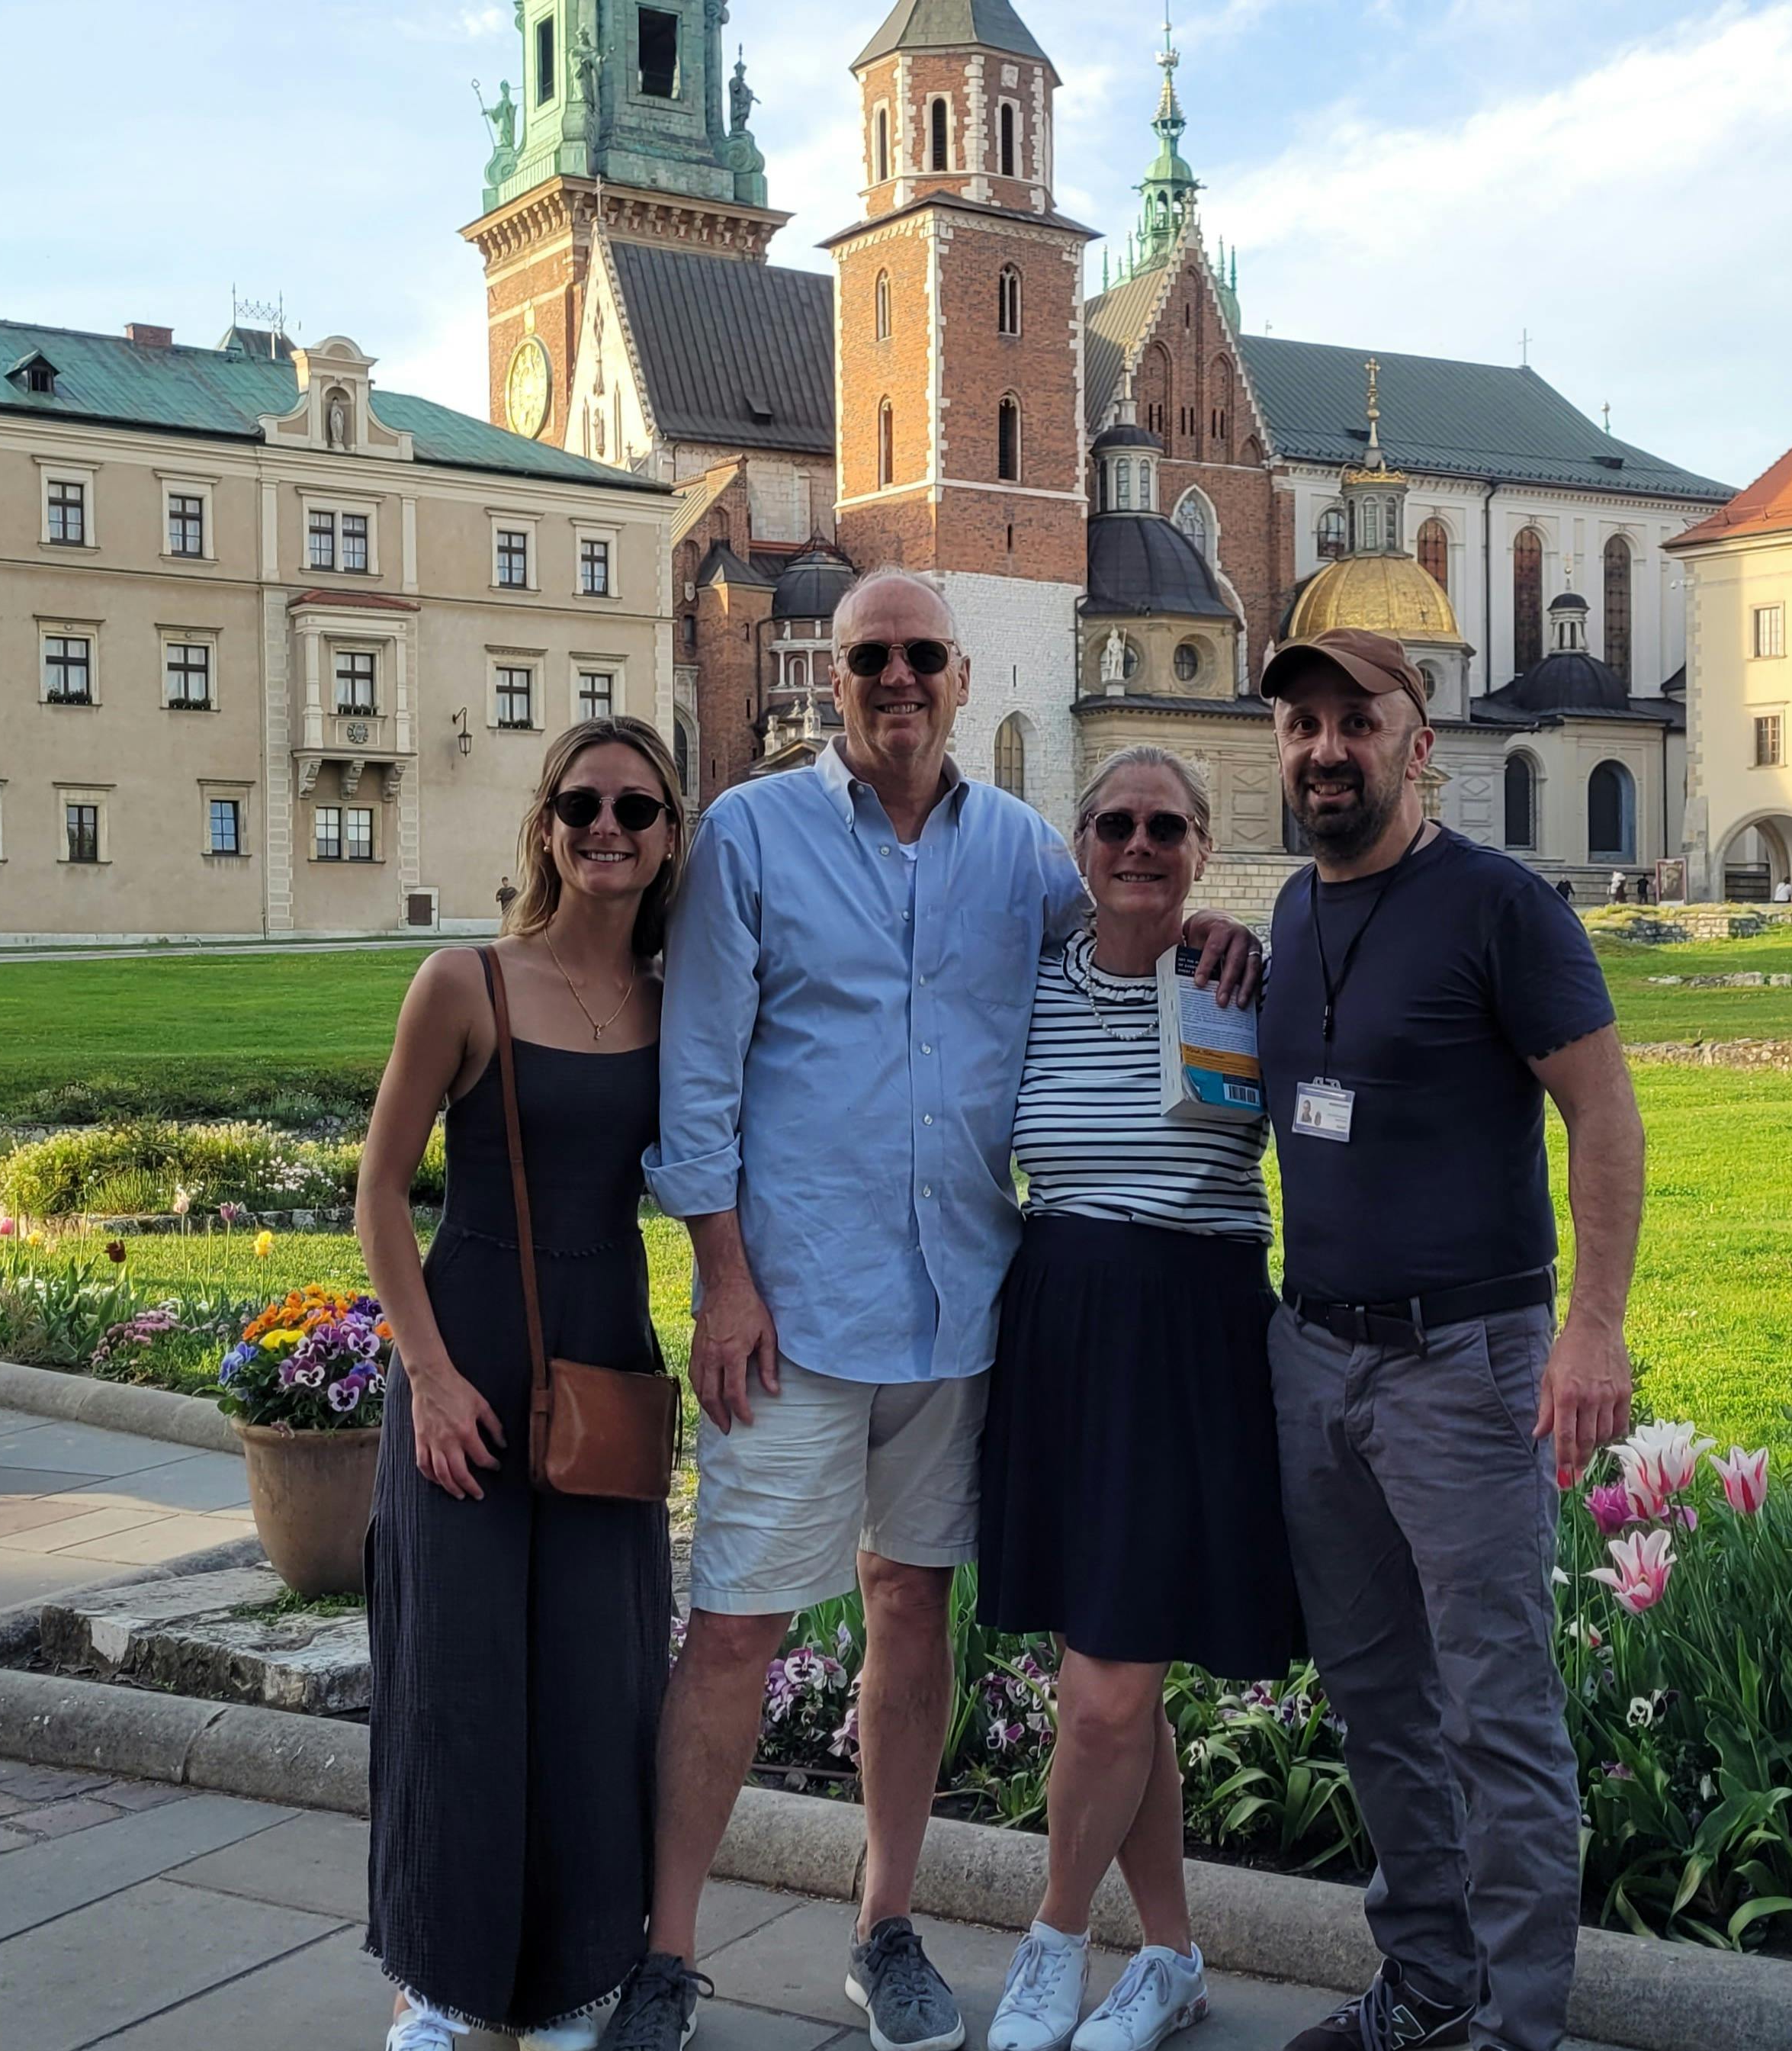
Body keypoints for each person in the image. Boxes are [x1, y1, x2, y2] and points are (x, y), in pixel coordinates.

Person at [614, 570, 1259, 2051]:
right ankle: (667, 1951)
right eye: (871, 658)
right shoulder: (750, 836)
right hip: (792, 1307)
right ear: (830, 678)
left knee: (912, 1607)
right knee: (735, 1629)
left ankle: (884, 1923)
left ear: (962, 677)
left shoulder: (1025, 851)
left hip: (966, 1307)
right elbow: (697, 1075)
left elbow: (1127, 926)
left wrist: (1224, 934)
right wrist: (721, 1276)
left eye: (923, 656)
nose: (897, 679)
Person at [1254, 628, 1648, 2051]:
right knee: (1376, 1699)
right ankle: (1427, 1982)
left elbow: (1604, 1113)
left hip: (1464, 1361)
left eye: (1355, 721)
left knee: (1496, 1711)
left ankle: (1516, 2027)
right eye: (1302, 724)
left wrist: (1591, 1325)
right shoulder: (1290, 910)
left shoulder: (1499, 905)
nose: (1326, 749)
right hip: (1318, 1359)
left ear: (1418, 745)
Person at [354, 717, 691, 2051]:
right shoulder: (466, 983)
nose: (608, 827)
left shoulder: (677, 1001)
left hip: (604, 1353)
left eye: (637, 809)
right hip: (474, 1353)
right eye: (583, 804)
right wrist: (429, 1374)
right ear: (547, 825)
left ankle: (574, 1978)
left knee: (599, 1678)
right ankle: (436, 1984)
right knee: (458, 1672)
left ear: (668, 839)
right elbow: (381, 1192)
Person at [976, 746, 1297, 2051]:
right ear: (1080, 846)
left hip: (1190, 1333)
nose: (1140, 846)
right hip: (1060, 1326)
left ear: (1203, 848)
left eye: (1167, 827)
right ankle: (1168, 1954)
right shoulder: (1027, 985)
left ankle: (1054, 1938)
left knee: (1107, 1687)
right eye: (1115, 824)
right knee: (1114, 1665)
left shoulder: (1239, 982)